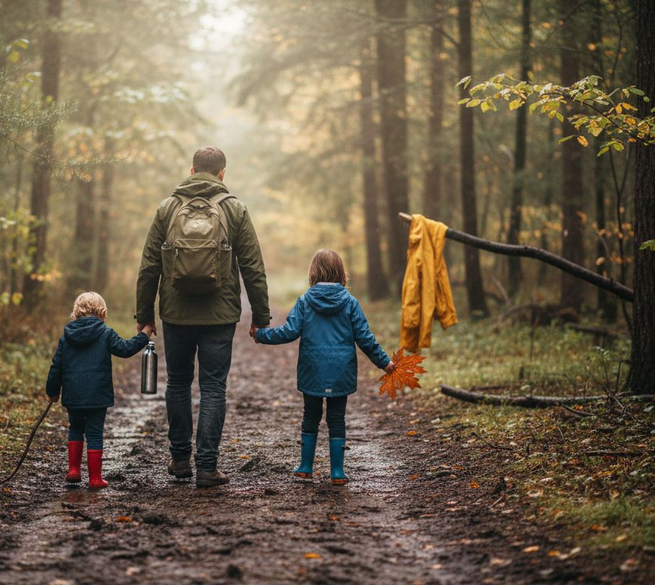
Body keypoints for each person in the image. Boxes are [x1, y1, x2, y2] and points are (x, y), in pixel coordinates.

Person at [135, 146, 270, 488]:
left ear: (192, 170)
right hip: (219, 315)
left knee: (178, 383)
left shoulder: (167, 208)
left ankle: (180, 460)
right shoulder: (235, 209)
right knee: (212, 387)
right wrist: (260, 316)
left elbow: (149, 266)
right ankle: (207, 468)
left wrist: (145, 315)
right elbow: (253, 267)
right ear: (222, 173)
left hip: (176, 313)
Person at [254, 250, 395, 485]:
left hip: (313, 369)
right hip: (341, 370)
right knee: (337, 419)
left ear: (314, 272)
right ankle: (337, 472)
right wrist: (384, 362)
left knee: (310, 416)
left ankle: (305, 467)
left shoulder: (305, 301)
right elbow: (365, 338)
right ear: (340, 272)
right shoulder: (350, 302)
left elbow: (288, 332)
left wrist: (261, 335)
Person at [46, 292, 154, 488]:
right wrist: (144, 334)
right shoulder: (105, 333)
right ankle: (95, 479)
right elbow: (125, 349)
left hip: (73, 394)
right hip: (97, 394)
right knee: (94, 433)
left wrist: (52, 390)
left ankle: (73, 471)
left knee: (75, 428)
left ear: (76, 312)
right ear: (102, 312)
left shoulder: (66, 336)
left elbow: (56, 366)